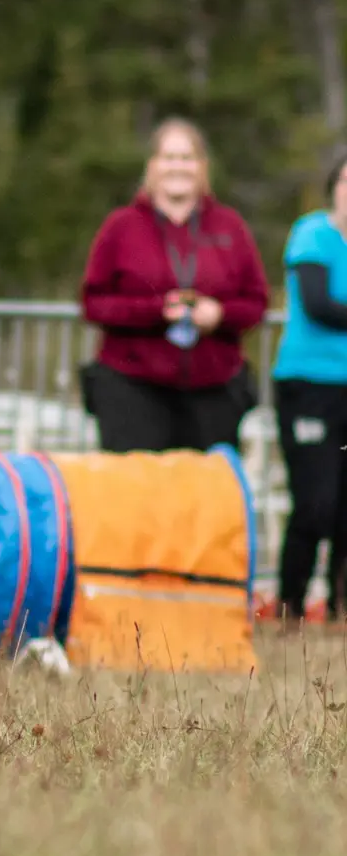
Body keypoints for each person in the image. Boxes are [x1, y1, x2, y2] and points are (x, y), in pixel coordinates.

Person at [79, 117, 269, 452]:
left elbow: (256, 302)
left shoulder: (230, 227)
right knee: (137, 496)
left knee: (203, 498)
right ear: (152, 166)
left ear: (202, 167)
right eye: (169, 157)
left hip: (213, 389)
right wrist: (156, 311)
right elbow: (93, 302)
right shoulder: (121, 226)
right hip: (132, 387)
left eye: (187, 158)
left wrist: (219, 314)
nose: (178, 167)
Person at [271, 150, 347, 622]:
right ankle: (289, 609)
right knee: (315, 502)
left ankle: (340, 610)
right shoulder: (313, 234)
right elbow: (319, 305)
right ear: (335, 188)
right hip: (308, 387)